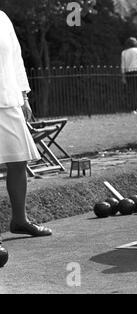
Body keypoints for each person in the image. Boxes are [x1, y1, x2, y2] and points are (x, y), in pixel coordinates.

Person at [0, 10, 52, 260]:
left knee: (19, 160)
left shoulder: (3, 18)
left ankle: (19, 220)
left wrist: (24, 95)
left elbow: (16, 60)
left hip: (9, 99)